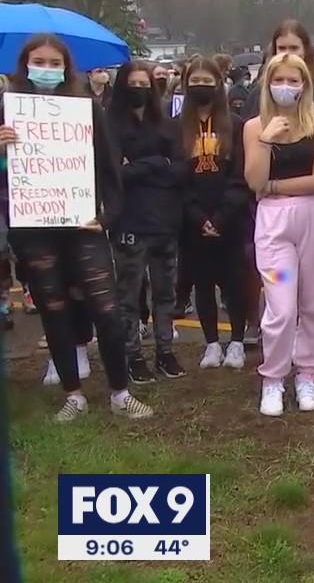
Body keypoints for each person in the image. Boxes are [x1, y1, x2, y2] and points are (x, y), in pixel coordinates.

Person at [0, 34, 153, 420]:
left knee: (107, 308)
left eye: (55, 63)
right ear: (24, 65)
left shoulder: (86, 109)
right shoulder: (7, 110)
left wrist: (106, 218)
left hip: (83, 226)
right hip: (33, 228)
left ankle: (120, 393)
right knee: (54, 309)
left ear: (67, 68)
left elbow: (109, 169)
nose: (46, 70)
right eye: (39, 62)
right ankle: (74, 394)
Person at [242, 53, 314, 417]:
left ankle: (307, 373)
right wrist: (266, 141)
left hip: (313, 218)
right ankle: (273, 376)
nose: (286, 87)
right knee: (281, 307)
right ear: (267, 83)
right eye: (278, 79)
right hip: (273, 226)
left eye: (293, 81)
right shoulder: (254, 127)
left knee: (313, 302)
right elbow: (253, 182)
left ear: (305, 85)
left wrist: (274, 185)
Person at [105, 60, 185, 383]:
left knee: (166, 293)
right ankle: (132, 355)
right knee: (129, 294)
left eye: (144, 83)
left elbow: (180, 170)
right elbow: (114, 174)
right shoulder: (110, 126)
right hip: (128, 223)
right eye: (132, 83)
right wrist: (157, 164)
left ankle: (165, 351)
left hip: (166, 222)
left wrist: (139, 165)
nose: (139, 89)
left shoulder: (166, 125)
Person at [178, 57, 252, 371]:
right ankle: (211, 343)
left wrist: (221, 216)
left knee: (235, 283)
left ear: (219, 85)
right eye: (195, 81)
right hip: (192, 221)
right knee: (202, 284)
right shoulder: (178, 127)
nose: (201, 87)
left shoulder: (235, 125)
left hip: (230, 220)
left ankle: (236, 341)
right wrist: (197, 216)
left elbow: (241, 174)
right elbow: (177, 176)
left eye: (208, 81)